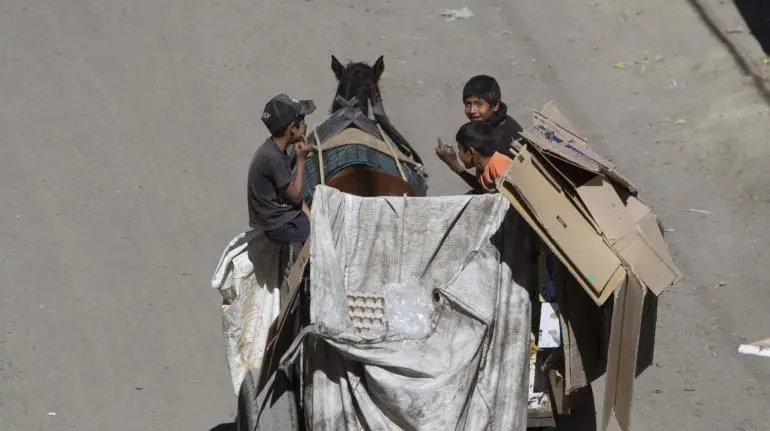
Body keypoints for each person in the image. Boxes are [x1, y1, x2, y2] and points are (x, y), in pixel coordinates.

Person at [247, 93, 315, 244]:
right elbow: (296, 197)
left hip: (276, 216)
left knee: (315, 221)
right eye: (302, 121)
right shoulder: (273, 158)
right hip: (276, 224)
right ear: (292, 128)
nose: (304, 126)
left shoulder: (273, 148)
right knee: (320, 237)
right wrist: (301, 159)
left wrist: (310, 216)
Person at [436, 74, 523, 191]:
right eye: (468, 104)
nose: (472, 111)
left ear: (495, 106)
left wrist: (454, 165)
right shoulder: (497, 124)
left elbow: (487, 190)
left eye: (479, 104)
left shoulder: (496, 141)